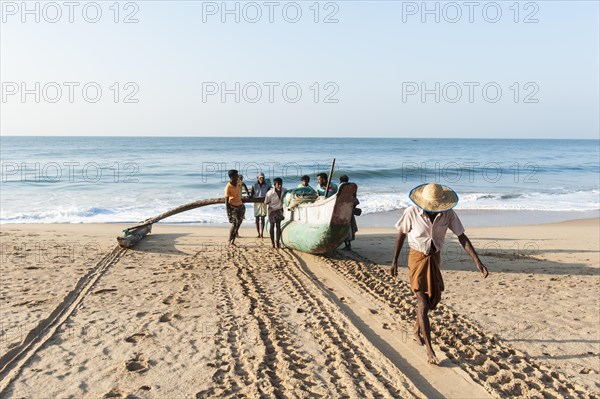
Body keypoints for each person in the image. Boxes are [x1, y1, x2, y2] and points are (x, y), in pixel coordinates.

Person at [389, 183, 489, 365]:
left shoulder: (448, 214)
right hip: (416, 259)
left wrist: (478, 261)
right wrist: (394, 261)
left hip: (434, 259)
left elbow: (462, 237)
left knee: (432, 300)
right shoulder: (412, 212)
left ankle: (415, 330)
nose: (432, 209)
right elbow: (401, 235)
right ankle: (429, 350)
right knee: (423, 303)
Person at [264, 177, 287, 248]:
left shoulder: (284, 190)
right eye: (278, 184)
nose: (280, 186)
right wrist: (273, 205)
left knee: (278, 226)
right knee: (272, 226)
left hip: (280, 209)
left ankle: (277, 242)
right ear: (274, 185)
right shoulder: (270, 193)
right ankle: (272, 243)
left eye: (281, 184)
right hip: (272, 210)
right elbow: (266, 202)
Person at [224, 169, 245, 246]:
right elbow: (226, 202)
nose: (237, 177)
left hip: (241, 206)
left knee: (239, 224)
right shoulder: (228, 187)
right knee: (234, 224)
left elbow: (243, 184)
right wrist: (228, 215)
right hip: (233, 208)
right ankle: (229, 240)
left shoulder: (238, 182)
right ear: (232, 177)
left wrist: (248, 193)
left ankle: (233, 241)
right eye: (236, 175)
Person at [339, 175, 360, 250]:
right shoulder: (352, 188)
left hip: (343, 212)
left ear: (340, 180)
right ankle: (348, 245)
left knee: (345, 228)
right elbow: (355, 201)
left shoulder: (341, 187)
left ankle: (347, 245)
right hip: (350, 211)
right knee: (350, 228)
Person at [250, 172, 271, 238]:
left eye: (263, 177)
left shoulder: (267, 185)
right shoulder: (254, 185)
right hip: (257, 203)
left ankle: (262, 233)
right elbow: (252, 194)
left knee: (263, 218)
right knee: (257, 218)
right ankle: (258, 233)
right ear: (257, 178)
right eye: (260, 177)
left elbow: (269, 194)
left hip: (264, 202)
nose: (262, 178)